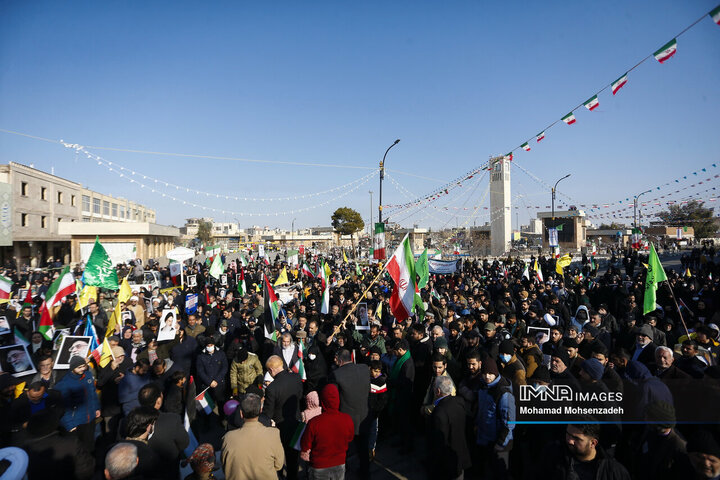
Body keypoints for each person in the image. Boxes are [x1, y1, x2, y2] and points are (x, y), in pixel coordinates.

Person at [328, 348, 372, 474]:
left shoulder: (336, 374)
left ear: (340, 359)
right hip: (364, 415)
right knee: (363, 448)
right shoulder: (364, 368)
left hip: (346, 418)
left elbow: (334, 398)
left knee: (344, 449)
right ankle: (365, 472)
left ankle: (344, 472)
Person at [222, 393, 285, 480]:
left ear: (241, 413)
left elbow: (225, 467)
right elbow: (278, 465)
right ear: (260, 410)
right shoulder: (273, 434)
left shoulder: (228, 438)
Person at [540, 420, 631, 479]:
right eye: (568, 434)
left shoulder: (614, 472)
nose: (570, 441)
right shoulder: (553, 457)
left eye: (576, 438)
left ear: (593, 443)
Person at [300, 384, 355, 480]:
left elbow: (305, 445)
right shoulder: (347, 419)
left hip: (318, 466)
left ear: (322, 401)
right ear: (338, 399)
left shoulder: (314, 423)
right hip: (340, 463)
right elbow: (350, 438)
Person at [137, 383, 189, 480]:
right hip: (169, 471)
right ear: (158, 400)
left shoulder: (126, 421)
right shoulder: (172, 419)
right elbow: (184, 443)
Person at [262, 354, 303, 480]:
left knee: (279, 456)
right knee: (293, 457)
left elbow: (268, 413)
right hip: (296, 422)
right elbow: (300, 397)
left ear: (271, 370)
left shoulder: (272, 388)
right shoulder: (296, 377)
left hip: (280, 427)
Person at [54, 356, 101, 453]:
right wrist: (70, 424)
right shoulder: (65, 383)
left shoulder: (87, 375)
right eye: (79, 367)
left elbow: (93, 393)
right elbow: (63, 407)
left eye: (83, 366)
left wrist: (96, 408)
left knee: (90, 445)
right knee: (79, 449)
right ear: (72, 368)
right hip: (77, 422)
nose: (82, 369)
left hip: (90, 418)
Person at [429, 375, 471, 480]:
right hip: (461, 455)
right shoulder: (459, 401)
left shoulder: (439, 412)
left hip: (448, 463)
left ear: (438, 391)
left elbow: (439, 442)